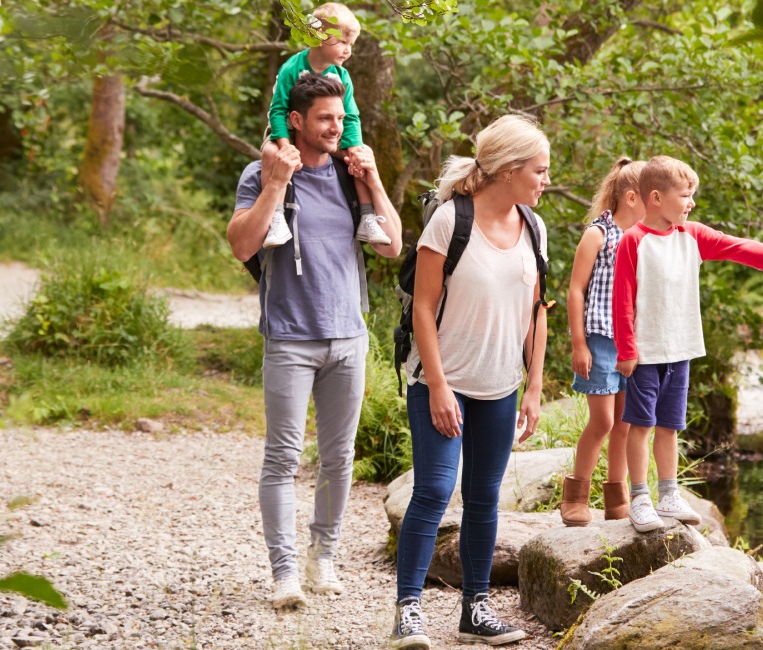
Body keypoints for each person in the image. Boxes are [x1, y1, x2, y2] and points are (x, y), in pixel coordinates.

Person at [227, 72, 403, 609]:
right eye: (325, 118)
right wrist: (278, 184)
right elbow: (240, 246)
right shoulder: (260, 174)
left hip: (348, 337)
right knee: (281, 458)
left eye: (341, 117)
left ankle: (322, 555)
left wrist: (373, 181)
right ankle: (284, 573)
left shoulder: (352, 178)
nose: (336, 127)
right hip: (289, 337)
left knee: (339, 457)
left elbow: (393, 246)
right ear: (297, 120)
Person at [390, 115, 550, 649]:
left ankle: (474, 611)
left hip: (501, 385)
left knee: (484, 496)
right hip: (443, 379)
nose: (545, 180)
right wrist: (436, 386)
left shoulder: (534, 226)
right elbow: (424, 308)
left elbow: (537, 310)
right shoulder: (449, 221)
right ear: (507, 170)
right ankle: (408, 611)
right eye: (539, 170)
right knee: (435, 490)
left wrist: (533, 386)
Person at [612, 155, 763, 533]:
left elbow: (742, 248)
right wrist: (626, 350)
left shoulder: (691, 235)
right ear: (657, 198)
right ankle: (639, 498)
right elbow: (622, 299)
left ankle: (668, 495)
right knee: (639, 425)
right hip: (646, 354)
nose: (691, 202)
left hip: (681, 350)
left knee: (669, 426)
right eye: (685, 195)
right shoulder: (634, 241)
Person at [558, 157, 648, 527]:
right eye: (652, 196)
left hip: (634, 343)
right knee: (603, 421)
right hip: (600, 340)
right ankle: (575, 496)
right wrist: (579, 344)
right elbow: (576, 290)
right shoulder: (599, 234)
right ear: (631, 197)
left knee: (626, 422)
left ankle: (617, 498)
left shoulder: (645, 236)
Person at [261, 2, 390, 250]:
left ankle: (367, 216)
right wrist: (286, 146)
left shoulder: (342, 76)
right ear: (320, 38)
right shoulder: (292, 68)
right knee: (270, 153)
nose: (348, 50)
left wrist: (353, 147)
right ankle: (276, 217)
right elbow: (278, 110)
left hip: (329, 135)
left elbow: (351, 116)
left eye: (351, 44)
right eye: (343, 42)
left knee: (361, 157)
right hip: (286, 131)